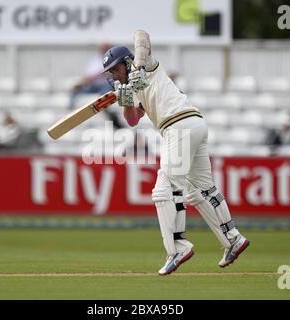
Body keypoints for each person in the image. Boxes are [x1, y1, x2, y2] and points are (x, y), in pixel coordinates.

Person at [103, 30, 249, 276]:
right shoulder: (131, 87)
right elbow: (132, 121)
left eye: (115, 69)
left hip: (179, 125)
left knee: (164, 190)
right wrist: (125, 99)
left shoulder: (145, 65)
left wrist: (138, 68)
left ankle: (178, 247)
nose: (113, 75)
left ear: (127, 62)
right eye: (111, 73)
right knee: (201, 188)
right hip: (194, 125)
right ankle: (232, 238)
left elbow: (142, 36)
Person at [69, 42, 124, 130]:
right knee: (75, 91)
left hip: (106, 84)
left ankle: (109, 114)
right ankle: (70, 114)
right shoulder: (95, 59)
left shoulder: (112, 59)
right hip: (93, 85)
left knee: (104, 95)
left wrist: (95, 76)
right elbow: (88, 75)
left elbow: (109, 73)